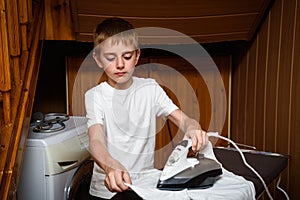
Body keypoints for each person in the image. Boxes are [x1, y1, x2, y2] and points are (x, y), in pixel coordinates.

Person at [85, 17, 208, 200]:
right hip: (105, 192)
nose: (120, 64)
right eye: (111, 57)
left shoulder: (150, 88)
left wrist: (192, 127)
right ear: (98, 59)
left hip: (143, 188)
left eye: (127, 56)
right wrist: (111, 165)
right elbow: (95, 141)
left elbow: (184, 120)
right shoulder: (95, 95)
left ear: (137, 56)